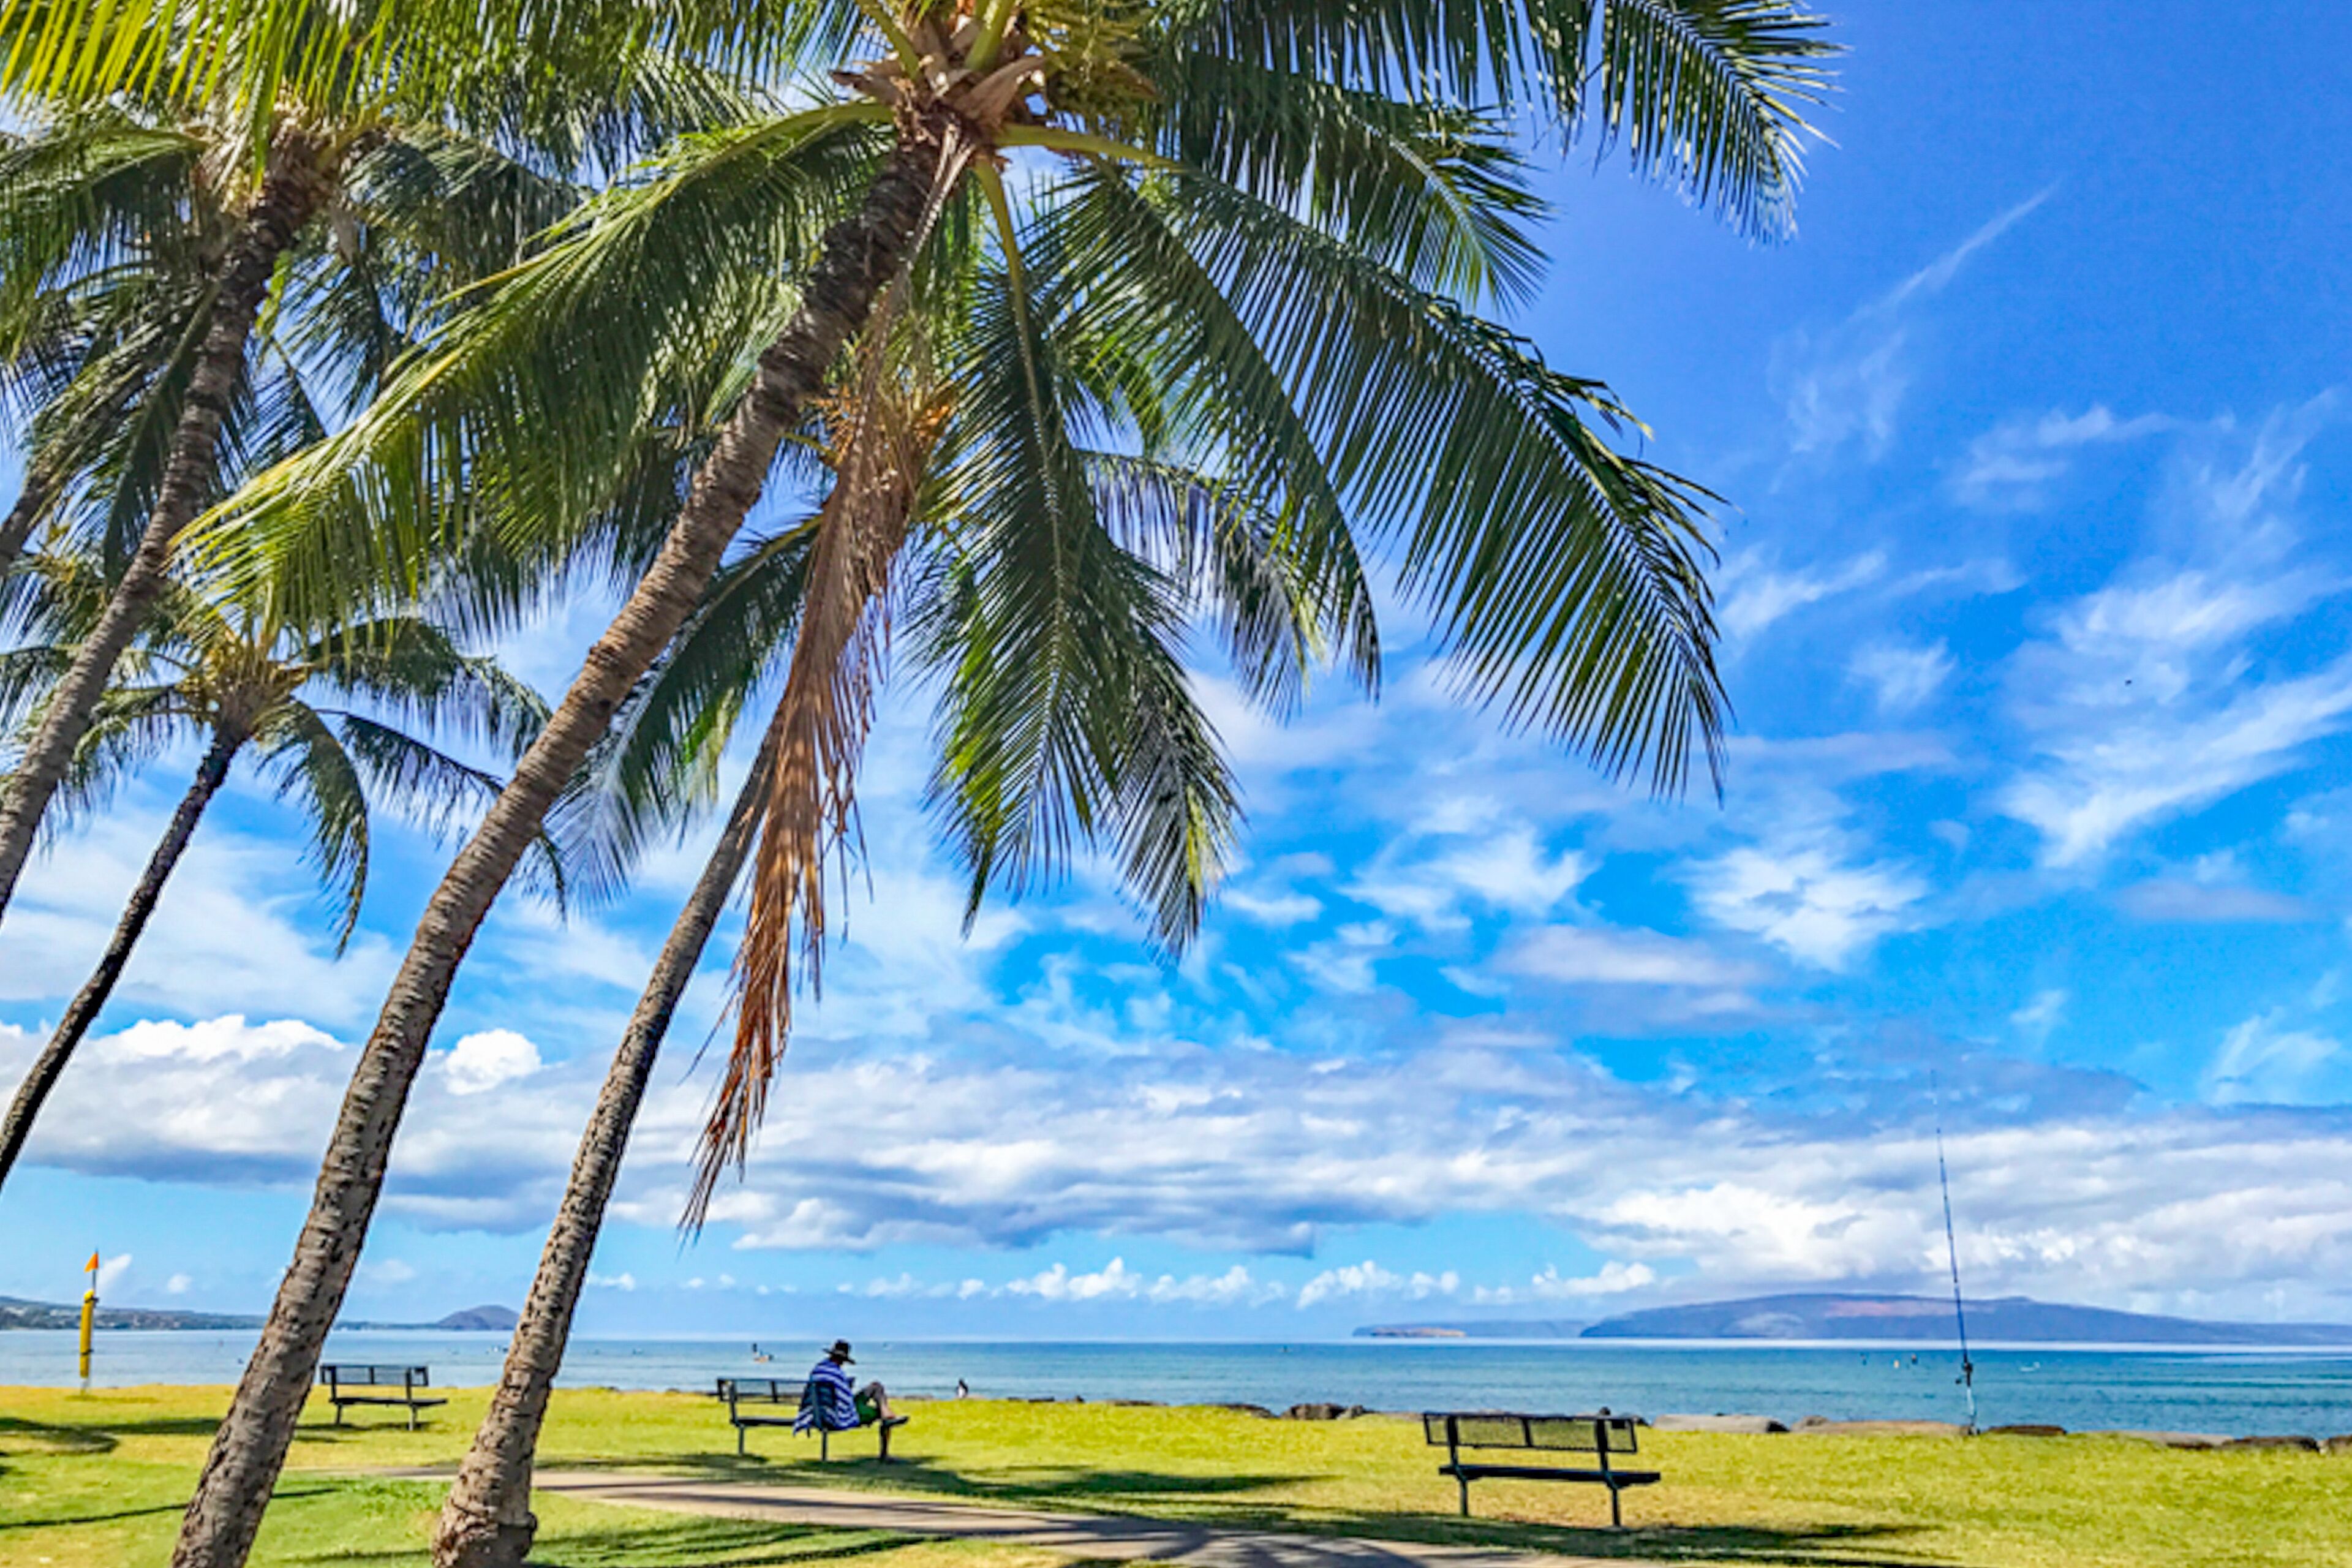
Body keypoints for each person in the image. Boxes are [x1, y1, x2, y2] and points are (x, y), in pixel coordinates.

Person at [794, 1340, 892, 1435]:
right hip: (838, 1415)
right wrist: (847, 1388)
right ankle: (885, 1412)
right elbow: (845, 1401)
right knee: (877, 1407)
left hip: (817, 1413)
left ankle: (885, 1411)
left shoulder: (817, 1370)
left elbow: (837, 1394)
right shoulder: (838, 1373)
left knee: (875, 1386)